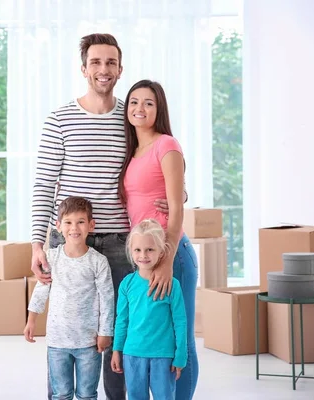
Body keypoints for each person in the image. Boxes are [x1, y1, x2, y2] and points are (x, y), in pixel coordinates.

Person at [30, 33, 174, 400]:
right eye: (95, 62)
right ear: (83, 69)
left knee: (116, 332)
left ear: (120, 68)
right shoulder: (59, 120)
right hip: (69, 243)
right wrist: (37, 243)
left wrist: (176, 196)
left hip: (119, 243)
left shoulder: (130, 117)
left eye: (110, 62)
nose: (103, 70)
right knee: (65, 331)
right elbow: (44, 186)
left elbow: (155, 162)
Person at [117, 79, 199, 400]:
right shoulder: (134, 151)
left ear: (159, 109)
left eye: (148, 103)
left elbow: (176, 209)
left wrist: (166, 259)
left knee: (181, 339)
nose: (139, 108)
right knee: (158, 339)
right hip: (148, 256)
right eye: (134, 102)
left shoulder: (167, 144)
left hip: (172, 255)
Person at [25, 196, 114, 400]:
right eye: (68, 222)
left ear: (91, 225)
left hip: (89, 343)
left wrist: (105, 332)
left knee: (87, 395)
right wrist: (31, 321)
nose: (74, 228)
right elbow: (41, 290)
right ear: (58, 226)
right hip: (57, 343)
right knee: (61, 394)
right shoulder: (52, 257)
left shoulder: (98, 261)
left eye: (81, 222)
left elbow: (107, 299)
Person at [110, 219, 187, 400]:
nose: (143, 255)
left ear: (162, 252)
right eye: (137, 250)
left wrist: (181, 355)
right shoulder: (127, 284)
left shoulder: (172, 285)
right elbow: (122, 320)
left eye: (150, 249)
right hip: (133, 354)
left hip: (164, 356)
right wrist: (116, 350)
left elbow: (180, 322)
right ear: (131, 251)